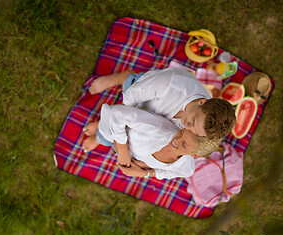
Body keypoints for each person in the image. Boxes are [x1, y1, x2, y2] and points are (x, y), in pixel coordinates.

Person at [89, 68, 236, 140]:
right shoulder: (170, 85)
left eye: (195, 131)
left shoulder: (203, 126)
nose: (187, 127)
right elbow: (130, 97)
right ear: (202, 102)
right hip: (139, 92)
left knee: (110, 136)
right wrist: (119, 121)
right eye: (192, 121)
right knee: (130, 84)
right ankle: (120, 77)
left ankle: (102, 128)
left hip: (148, 118)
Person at [82, 104, 219, 180]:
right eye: (181, 132)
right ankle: (99, 128)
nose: (176, 140)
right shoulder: (158, 128)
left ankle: (100, 133)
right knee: (102, 136)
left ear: (195, 155)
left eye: (184, 144)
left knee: (105, 140)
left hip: (129, 154)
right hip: (120, 136)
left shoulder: (186, 168)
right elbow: (118, 113)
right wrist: (121, 149)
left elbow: (168, 173)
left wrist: (145, 173)